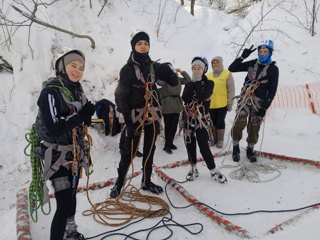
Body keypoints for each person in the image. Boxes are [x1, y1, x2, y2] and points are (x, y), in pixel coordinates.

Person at [34, 49, 95, 240]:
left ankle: (71, 229)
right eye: (73, 66)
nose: (77, 71)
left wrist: (86, 118)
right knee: (63, 202)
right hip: (57, 157)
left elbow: (80, 120)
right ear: (61, 67)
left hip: (74, 154)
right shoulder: (50, 92)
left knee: (72, 195)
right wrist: (81, 116)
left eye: (81, 68)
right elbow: (54, 127)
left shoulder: (77, 90)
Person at [111, 30, 178, 198]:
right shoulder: (126, 70)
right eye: (139, 43)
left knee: (150, 149)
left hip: (152, 113)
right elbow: (121, 95)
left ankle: (146, 181)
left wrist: (170, 73)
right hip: (133, 115)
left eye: (146, 44)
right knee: (129, 151)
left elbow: (174, 82)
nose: (143, 46)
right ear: (133, 46)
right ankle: (119, 183)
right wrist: (128, 119)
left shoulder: (153, 66)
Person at [228, 39, 279, 163]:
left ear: (270, 52)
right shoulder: (251, 63)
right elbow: (232, 68)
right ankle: (235, 147)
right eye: (260, 51)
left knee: (254, 126)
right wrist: (242, 57)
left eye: (265, 51)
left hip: (259, 102)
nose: (262, 54)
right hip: (245, 98)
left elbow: (272, 91)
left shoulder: (273, 69)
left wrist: (265, 107)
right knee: (239, 122)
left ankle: (250, 149)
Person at [182, 56, 227, 183]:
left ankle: (213, 170)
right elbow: (185, 98)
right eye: (194, 68)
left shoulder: (209, 83)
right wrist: (192, 83)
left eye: (199, 69)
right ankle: (193, 167)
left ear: (204, 70)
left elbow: (202, 96)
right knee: (189, 143)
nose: (196, 71)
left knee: (203, 146)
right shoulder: (188, 84)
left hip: (201, 120)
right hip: (188, 119)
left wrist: (196, 82)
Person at [157, 62, 191, 154]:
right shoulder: (164, 79)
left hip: (176, 104)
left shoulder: (177, 78)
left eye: (171, 66)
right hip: (167, 103)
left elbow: (188, 80)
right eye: (168, 67)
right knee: (169, 125)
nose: (170, 68)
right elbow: (158, 82)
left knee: (174, 125)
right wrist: (162, 73)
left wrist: (181, 71)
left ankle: (169, 143)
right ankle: (167, 145)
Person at [207, 56, 235, 148]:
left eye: (217, 62)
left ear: (221, 63)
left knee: (220, 121)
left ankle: (220, 140)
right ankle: (212, 138)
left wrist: (230, 102)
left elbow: (231, 89)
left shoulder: (227, 74)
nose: (215, 64)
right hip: (211, 104)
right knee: (211, 122)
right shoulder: (209, 75)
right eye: (213, 63)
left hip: (222, 104)